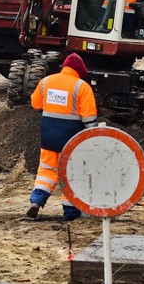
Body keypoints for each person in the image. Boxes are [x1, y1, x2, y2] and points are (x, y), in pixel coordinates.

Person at [27, 53, 97, 221]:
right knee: (71, 174)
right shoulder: (82, 86)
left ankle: (36, 201)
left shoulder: (46, 82)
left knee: (46, 171)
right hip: (71, 140)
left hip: (48, 137)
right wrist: (93, 137)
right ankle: (70, 213)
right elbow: (89, 118)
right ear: (79, 71)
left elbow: (35, 104)